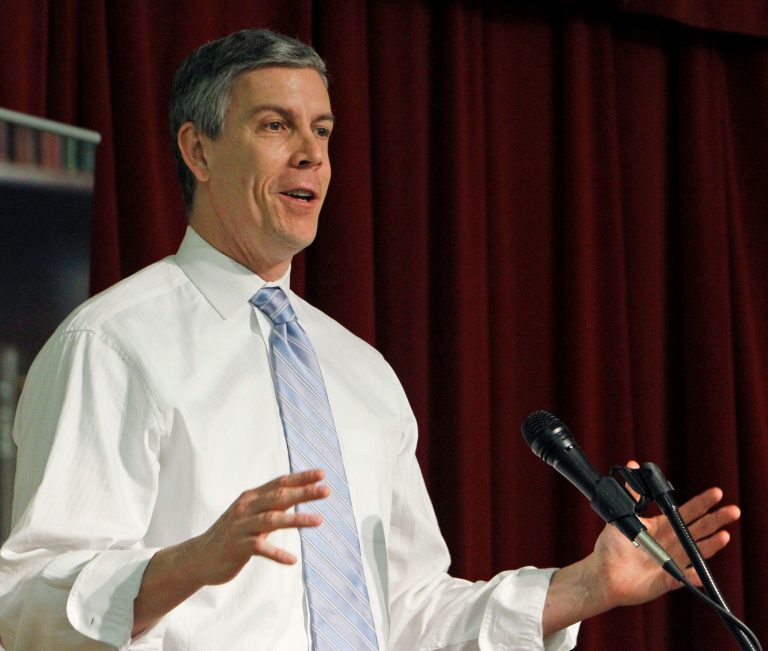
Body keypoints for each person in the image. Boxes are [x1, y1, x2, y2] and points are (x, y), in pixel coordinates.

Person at [0, 29, 739, 651]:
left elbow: (412, 612)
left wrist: (584, 586)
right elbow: (22, 607)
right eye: (275, 126)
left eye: (322, 131)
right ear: (197, 149)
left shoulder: (360, 371)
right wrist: (184, 565)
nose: (311, 156)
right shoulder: (111, 343)